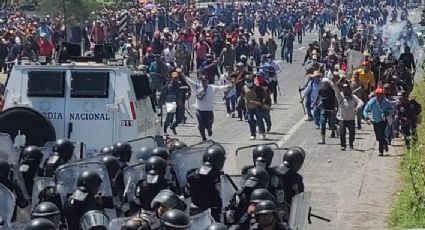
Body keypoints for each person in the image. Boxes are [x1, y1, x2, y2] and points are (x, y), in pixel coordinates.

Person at [185, 145, 226, 221]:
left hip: (194, 211)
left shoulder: (191, 174)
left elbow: (186, 193)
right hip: (213, 213)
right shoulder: (216, 176)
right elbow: (221, 192)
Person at [184, 74, 230, 141]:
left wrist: (229, 86)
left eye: (205, 81)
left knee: (209, 124)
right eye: (202, 81)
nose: (203, 82)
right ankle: (203, 137)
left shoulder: (212, 88)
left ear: (207, 81)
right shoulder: (197, 87)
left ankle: (209, 129)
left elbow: (221, 88)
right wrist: (182, 75)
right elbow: (189, 81)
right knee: (201, 125)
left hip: (209, 111)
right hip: (200, 110)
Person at [331, 82, 364, 150]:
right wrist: (335, 81)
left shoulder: (353, 97)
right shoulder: (339, 96)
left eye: (347, 88)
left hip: (351, 119)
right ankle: (343, 145)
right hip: (342, 119)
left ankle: (351, 144)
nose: (345, 90)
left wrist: (357, 107)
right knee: (342, 133)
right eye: (344, 88)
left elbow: (361, 102)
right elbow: (335, 88)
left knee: (352, 133)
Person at [363, 88, 395, 156]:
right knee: (378, 137)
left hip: (383, 121)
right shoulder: (372, 102)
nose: (379, 97)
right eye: (377, 95)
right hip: (375, 121)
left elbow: (392, 110)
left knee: (381, 134)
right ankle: (385, 143)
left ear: (383, 95)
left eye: (380, 95)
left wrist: (388, 112)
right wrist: (366, 117)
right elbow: (365, 110)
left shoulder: (387, 102)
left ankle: (381, 151)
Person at [243, 75, 266, 140]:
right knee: (250, 120)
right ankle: (253, 134)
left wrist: (262, 102)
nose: (248, 82)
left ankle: (262, 132)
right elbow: (242, 96)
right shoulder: (244, 88)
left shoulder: (257, 88)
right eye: (247, 81)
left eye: (249, 81)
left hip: (257, 107)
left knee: (259, 119)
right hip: (249, 107)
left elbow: (264, 94)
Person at [316, 78, 337, 144]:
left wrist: (335, 108)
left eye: (326, 83)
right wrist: (317, 103)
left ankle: (334, 131)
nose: (325, 84)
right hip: (323, 109)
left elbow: (334, 100)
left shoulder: (332, 91)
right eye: (324, 83)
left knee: (331, 124)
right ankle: (323, 139)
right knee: (322, 123)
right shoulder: (321, 90)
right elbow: (318, 98)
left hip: (331, 110)